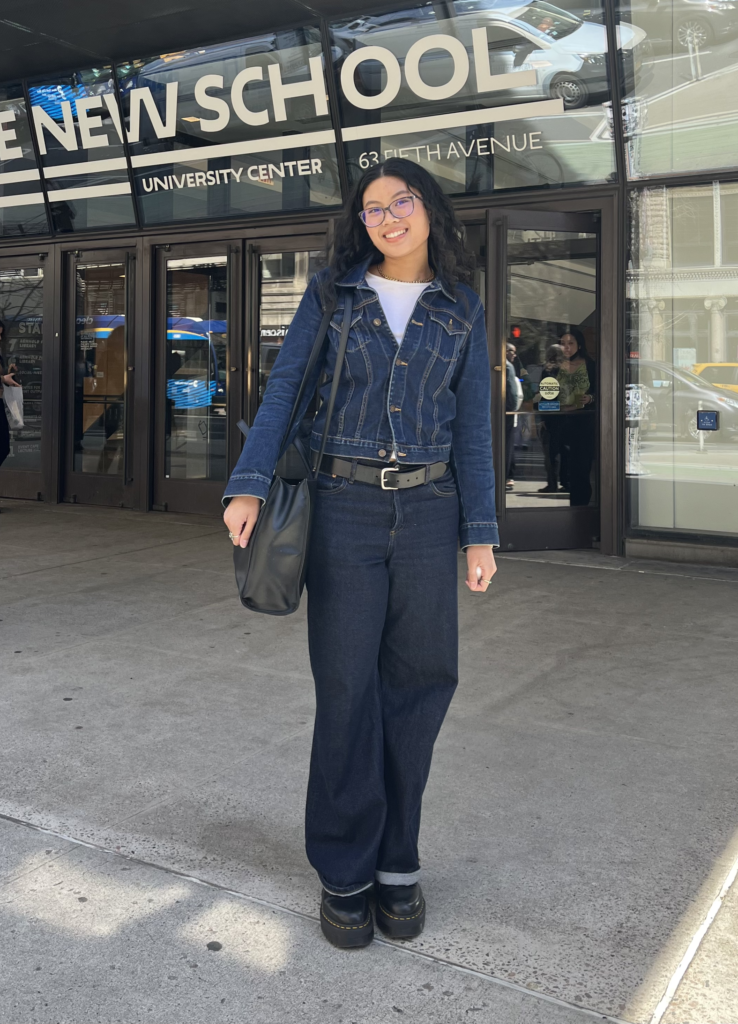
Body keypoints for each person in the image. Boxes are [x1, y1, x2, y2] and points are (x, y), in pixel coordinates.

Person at [223, 159, 499, 949]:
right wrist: (248, 484)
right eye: (373, 208)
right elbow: (284, 389)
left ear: (428, 210)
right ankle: (344, 868)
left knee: (421, 683)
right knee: (347, 688)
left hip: (428, 510)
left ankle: (397, 861)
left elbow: (472, 427)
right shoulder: (333, 294)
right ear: (361, 224)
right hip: (342, 507)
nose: (388, 217)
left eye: (401, 201)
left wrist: (479, 532)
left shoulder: (461, 309)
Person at [558, 327, 596, 506]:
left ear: (579, 345)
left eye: (570, 343)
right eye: (562, 344)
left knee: (581, 469)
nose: (566, 347)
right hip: (560, 422)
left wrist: (590, 398)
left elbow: (602, 392)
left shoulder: (590, 365)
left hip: (583, 423)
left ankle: (581, 507)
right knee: (564, 469)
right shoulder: (557, 366)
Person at [535, 342, 566, 494]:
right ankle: (567, 482)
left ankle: (552, 483)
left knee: (550, 452)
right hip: (567, 414)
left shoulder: (548, 370)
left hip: (552, 416)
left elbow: (547, 396)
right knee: (565, 451)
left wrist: (543, 417)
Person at [0, 317, 20, 514]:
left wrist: (7, 375)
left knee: (2, 446)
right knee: (1, 445)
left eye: (0, 335)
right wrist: (2, 378)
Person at [505, 342, 523, 490]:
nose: (514, 355)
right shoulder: (507, 367)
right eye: (512, 351)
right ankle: (505, 476)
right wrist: (512, 410)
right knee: (507, 446)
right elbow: (513, 395)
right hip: (506, 414)